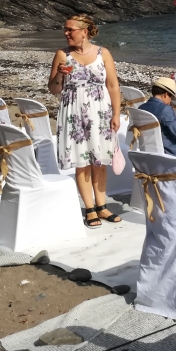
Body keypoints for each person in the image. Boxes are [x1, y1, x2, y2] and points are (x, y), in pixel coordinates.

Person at [48, 14, 122, 229]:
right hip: (74, 113)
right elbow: (54, 90)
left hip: (100, 113)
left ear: (85, 31)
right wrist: (59, 76)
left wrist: (116, 114)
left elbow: (113, 86)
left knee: (99, 161)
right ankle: (89, 209)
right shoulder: (62, 55)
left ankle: (102, 206)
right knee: (82, 163)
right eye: (65, 29)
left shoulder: (103, 53)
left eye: (70, 29)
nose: (66, 33)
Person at [140, 77, 176, 158]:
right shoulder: (165, 109)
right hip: (169, 153)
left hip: (147, 152)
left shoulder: (141, 108)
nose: (170, 101)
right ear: (166, 95)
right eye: (171, 97)